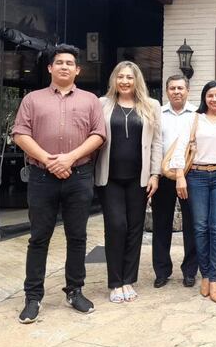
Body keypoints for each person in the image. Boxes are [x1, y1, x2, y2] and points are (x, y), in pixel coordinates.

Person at [12, 44, 106, 323]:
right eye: (59, 62)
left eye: (70, 63)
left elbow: (98, 135)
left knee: (77, 236)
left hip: (78, 176)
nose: (64, 66)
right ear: (50, 68)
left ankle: (75, 290)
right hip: (42, 177)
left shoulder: (90, 100)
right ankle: (33, 297)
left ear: (78, 70)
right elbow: (20, 133)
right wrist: (49, 160)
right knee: (39, 237)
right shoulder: (32, 99)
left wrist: (69, 159)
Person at [95, 61, 162, 304]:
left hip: (139, 179)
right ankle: (114, 282)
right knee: (116, 226)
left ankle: (128, 280)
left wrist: (155, 174)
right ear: (114, 79)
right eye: (120, 77)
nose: (125, 81)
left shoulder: (151, 106)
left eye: (130, 77)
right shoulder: (101, 104)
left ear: (137, 81)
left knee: (135, 228)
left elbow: (157, 143)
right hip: (109, 177)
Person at [173, 81, 216, 303]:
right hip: (197, 176)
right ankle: (205, 274)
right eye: (210, 95)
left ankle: (215, 278)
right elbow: (181, 147)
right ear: (205, 97)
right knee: (200, 227)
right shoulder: (194, 119)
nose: (214, 99)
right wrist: (180, 176)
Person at [152, 75, 199, 289]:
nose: (176, 91)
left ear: (188, 90)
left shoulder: (197, 114)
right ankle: (162, 271)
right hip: (163, 176)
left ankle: (190, 271)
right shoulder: (158, 114)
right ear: (166, 91)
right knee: (161, 224)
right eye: (172, 88)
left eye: (180, 88)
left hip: (190, 175)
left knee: (192, 224)